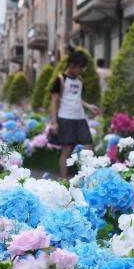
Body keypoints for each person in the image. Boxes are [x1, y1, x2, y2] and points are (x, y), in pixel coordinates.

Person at [48, 50, 101, 179]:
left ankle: (87, 178)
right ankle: (64, 180)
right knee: (66, 151)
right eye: (79, 67)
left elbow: (77, 98)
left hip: (80, 118)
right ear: (71, 65)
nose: (81, 70)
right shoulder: (60, 79)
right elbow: (54, 101)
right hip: (65, 118)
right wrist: (54, 122)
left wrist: (89, 106)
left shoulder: (79, 80)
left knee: (88, 147)